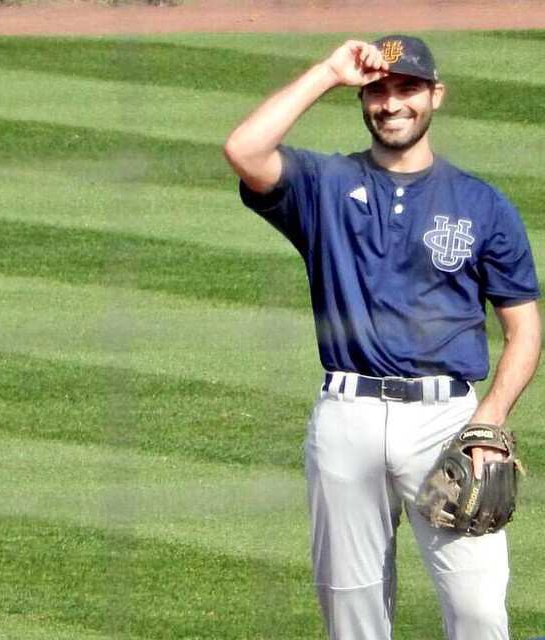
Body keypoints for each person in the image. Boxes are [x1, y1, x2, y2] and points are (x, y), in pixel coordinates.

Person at [223, 35, 541, 640]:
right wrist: (327, 72)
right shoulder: (325, 184)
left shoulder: (481, 203)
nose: (391, 103)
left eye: (407, 89)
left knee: (478, 610)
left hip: (446, 421)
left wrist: (491, 421)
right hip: (347, 416)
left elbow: (524, 326)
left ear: (435, 96)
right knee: (352, 614)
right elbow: (244, 148)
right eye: (377, 90)